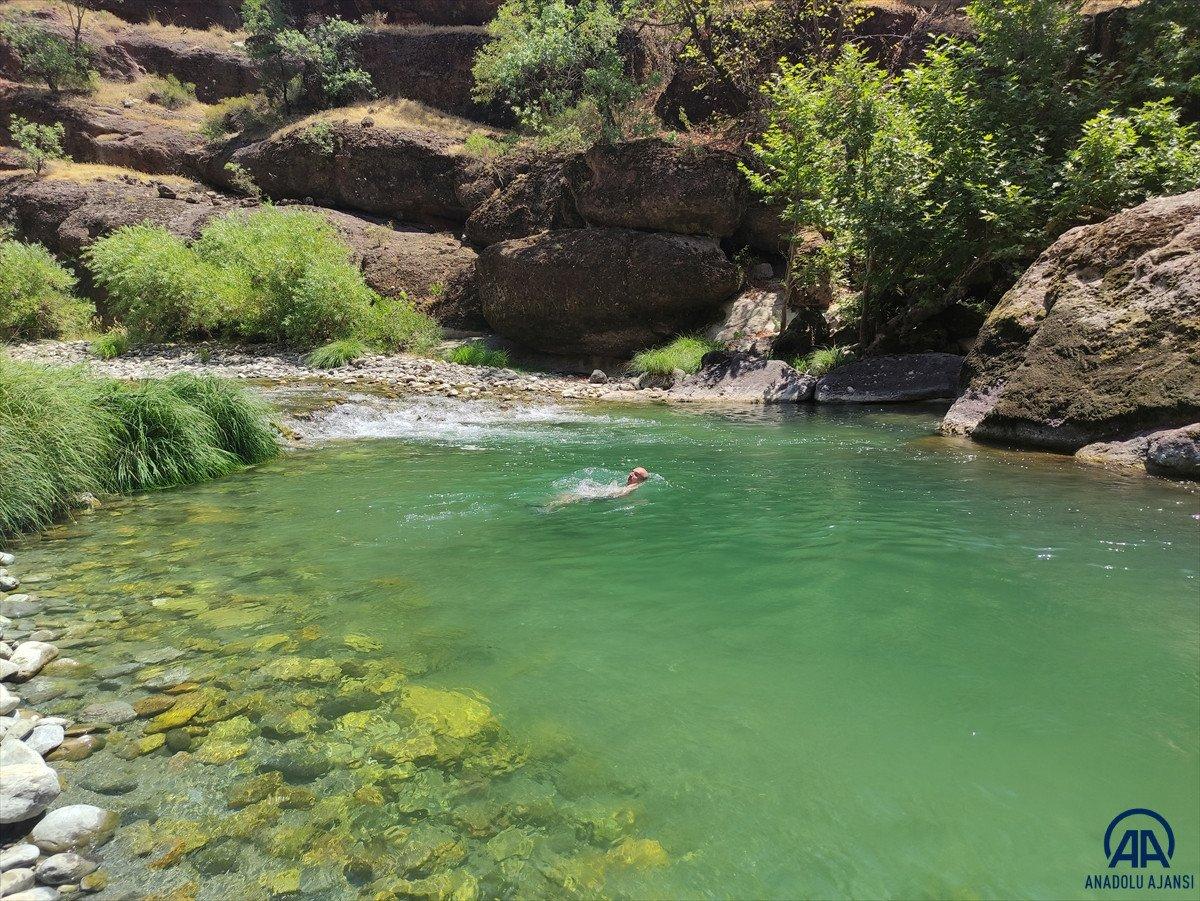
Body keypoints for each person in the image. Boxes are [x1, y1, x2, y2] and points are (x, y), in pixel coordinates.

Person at [544, 467, 651, 510]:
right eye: (632, 471)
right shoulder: (630, 484)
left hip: (604, 498)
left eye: (636, 474)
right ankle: (548, 505)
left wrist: (602, 494)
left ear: (640, 479)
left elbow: (621, 494)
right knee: (568, 495)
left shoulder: (634, 486)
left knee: (572, 497)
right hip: (604, 495)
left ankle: (548, 508)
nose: (631, 474)